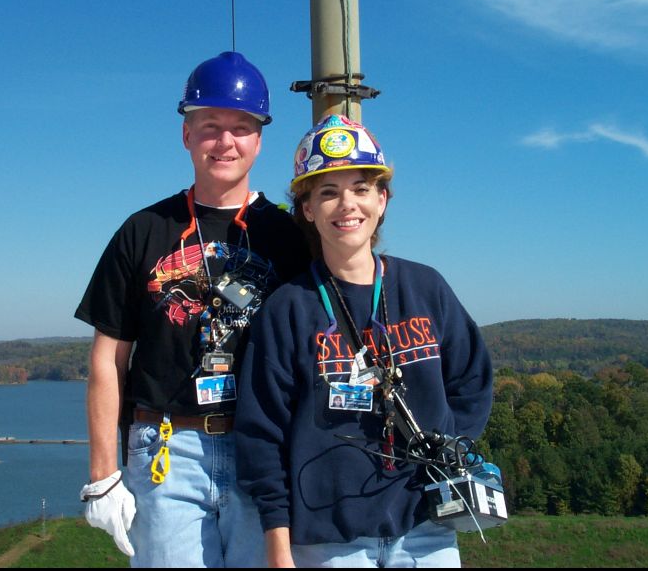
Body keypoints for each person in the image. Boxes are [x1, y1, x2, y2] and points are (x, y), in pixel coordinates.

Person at [75, 51, 311, 568]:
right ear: (186, 135)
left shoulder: (290, 238)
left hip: (264, 452)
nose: (225, 141)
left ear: (259, 140)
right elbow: (107, 360)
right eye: (209, 126)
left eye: (241, 127)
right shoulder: (143, 230)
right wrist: (103, 473)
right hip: (164, 451)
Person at [235, 114, 494, 568]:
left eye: (360, 189)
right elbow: (262, 435)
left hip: (426, 529)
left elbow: (473, 381)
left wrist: (447, 452)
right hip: (328, 541)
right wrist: (278, 543)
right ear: (308, 209)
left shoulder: (425, 288)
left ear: (382, 199)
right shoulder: (288, 309)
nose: (346, 205)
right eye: (328, 193)